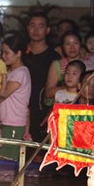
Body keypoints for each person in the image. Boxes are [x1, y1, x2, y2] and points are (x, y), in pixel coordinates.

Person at [22, 12, 59, 142]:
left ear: (47, 30)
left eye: (41, 26)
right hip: (19, 109)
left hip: (42, 112)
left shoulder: (54, 57)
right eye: (32, 25)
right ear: (27, 28)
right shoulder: (19, 53)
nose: (36, 30)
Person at [0, 34, 31, 160]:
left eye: (7, 53)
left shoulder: (21, 72)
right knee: (3, 153)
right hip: (7, 120)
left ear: (18, 53)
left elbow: (3, 94)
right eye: (2, 52)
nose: (3, 56)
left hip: (14, 122)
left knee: (8, 157)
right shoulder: (11, 71)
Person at [45, 31, 83, 102]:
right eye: (68, 44)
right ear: (62, 47)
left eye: (75, 43)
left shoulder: (89, 62)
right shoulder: (57, 64)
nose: (72, 47)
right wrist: (68, 88)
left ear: (80, 44)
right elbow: (48, 93)